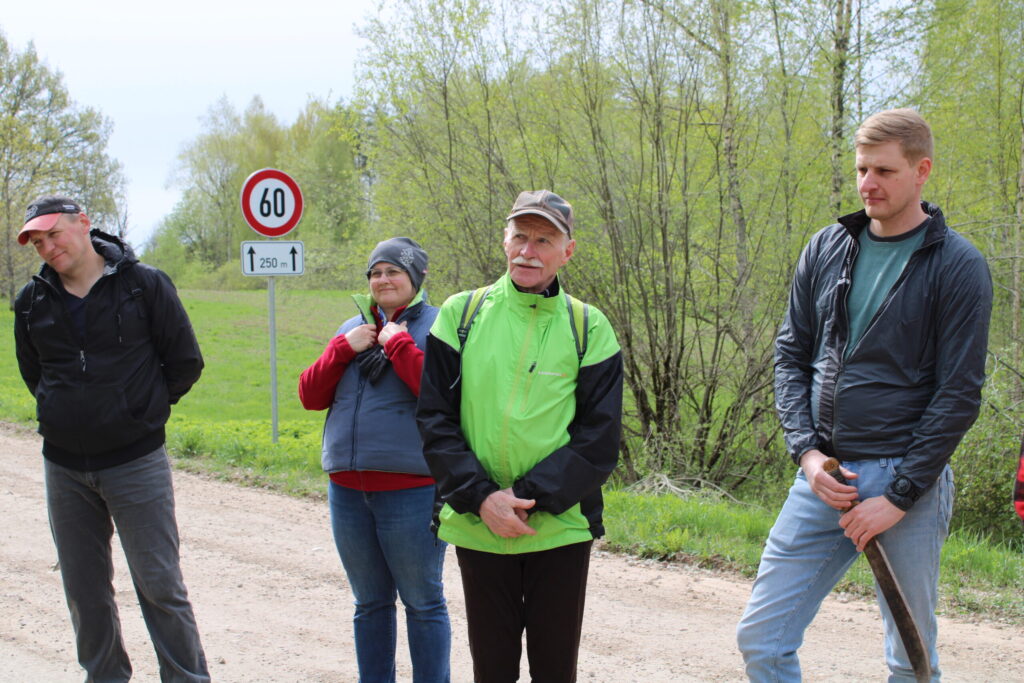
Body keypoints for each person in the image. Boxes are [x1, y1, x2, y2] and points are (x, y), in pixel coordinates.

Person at [736, 109, 992, 681]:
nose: (867, 184)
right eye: (861, 169)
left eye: (884, 171)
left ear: (922, 171)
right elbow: (790, 356)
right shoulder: (827, 247)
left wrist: (899, 495)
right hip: (825, 478)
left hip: (907, 483)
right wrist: (807, 454)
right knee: (762, 640)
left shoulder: (958, 266)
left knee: (910, 661)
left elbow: (958, 394)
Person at [417, 190, 624, 682]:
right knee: (492, 670)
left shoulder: (588, 327)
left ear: (567, 251)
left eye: (544, 240)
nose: (529, 251)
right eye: (521, 237)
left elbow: (599, 439)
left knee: (554, 670)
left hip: (558, 529)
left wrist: (526, 498)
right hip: (479, 526)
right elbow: (434, 419)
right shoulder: (460, 315)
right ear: (504, 241)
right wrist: (483, 498)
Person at [13, 196, 209, 682]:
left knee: (159, 585)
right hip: (64, 466)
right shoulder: (32, 301)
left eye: (54, 234)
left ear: (83, 223)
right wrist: (64, 413)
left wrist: (140, 412)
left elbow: (185, 362)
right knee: (85, 591)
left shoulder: (144, 285)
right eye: (38, 242)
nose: (48, 247)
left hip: (135, 461)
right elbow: (35, 374)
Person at [298, 237, 450, 683]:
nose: (382, 280)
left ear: (416, 277)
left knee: (423, 603)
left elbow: (441, 396)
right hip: (347, 490)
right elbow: (310, 395)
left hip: (413, 491)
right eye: (375, 273)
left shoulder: (439, 326)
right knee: (369, 603)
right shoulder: (352, 328)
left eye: (393, 271)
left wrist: (399, 345)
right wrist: (343, 349)